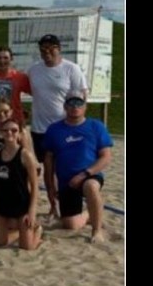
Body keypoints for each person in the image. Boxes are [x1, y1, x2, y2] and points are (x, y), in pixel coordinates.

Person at [42, 93, 113, 243]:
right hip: (66, 181)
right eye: (71, 103)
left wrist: (84, 174)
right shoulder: (54, 129)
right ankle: (91, 212)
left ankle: (96, 230)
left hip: (89, 174)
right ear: (65, 106)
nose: (75, 107)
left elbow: (106, 157)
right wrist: (50, 187)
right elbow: (48, 162)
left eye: (79, 103)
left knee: (91, 186)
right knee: (71, 225)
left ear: (85, 107)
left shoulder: (96, 126)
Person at [27, 34, 88, 159]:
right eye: (43, 49)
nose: (47, 51)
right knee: (43, 165)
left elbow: (82, 98)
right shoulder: (33, 70)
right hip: (39, 128)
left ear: (59, 49)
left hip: (63, 127)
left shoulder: (72, 69)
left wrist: (76, 124)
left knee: (63, 165)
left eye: (51, 48)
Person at [0, 119, 42, 250]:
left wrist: (32, 211)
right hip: (2, 203)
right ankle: (20, 233)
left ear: (20, 134)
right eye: (6, 130)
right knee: (0, 243)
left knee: (27, 247)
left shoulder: (25, 155)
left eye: (14, 130)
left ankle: (38, 230)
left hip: (21, 204)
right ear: (1, 133)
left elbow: (35, 186)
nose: (9, 133)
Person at [0, 46, 30, 125]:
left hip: (16, 121)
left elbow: (35, 93)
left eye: (5, 58)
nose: (2, 61)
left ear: (11, 59)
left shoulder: (20, 77)